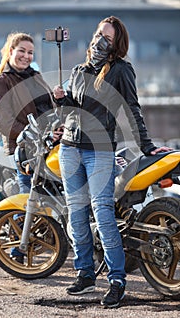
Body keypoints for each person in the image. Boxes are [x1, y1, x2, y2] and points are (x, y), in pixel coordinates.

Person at [53, 16, 171, 308]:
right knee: (76, 213)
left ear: (116, 44)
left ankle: (117, 279)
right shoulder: (79, 70)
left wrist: (146, 146)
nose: (98, 41)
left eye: (106, 37)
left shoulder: (121, 70)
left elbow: (132, 108)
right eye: (98, 34)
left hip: (100, 150)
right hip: (70, 148)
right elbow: (74, 110)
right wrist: (60, 100)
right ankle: (85, 272)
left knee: (103, 213)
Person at [0, 32, 56, 261]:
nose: (26, 56)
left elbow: (47, 106)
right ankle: (18, 250)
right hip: (27, 150)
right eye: (22, 51)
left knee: (52, 198)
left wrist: (57, 99)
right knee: (29, 199)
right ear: (10, 51)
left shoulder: (35, 76)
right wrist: (35, 135)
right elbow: (5, 122)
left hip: (50, 146)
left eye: (30, 53)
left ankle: (48, 241)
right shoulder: (1, 82)